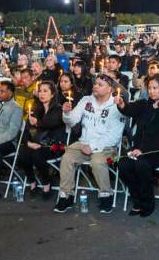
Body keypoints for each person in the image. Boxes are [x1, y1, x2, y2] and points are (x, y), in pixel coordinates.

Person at [54, 74, 125, 214]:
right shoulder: (86, 100)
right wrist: (67, 113)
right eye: (95, 83)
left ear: (110, 89)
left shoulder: (116, 105)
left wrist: (92, 146)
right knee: (67, 157)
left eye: (100, 85)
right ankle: (66, 195)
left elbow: (114, 136)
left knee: (97, 160)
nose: (95, 86)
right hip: (83, 142)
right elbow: (72, 120)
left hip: (106, 146)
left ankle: (106, 194)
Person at [114, 74, 159, 216]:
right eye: (149, 88)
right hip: (139, 149)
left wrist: (143, 150)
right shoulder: (145, 104)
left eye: (155, 88)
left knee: (141, 165)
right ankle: (137, 200)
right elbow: (129, 109)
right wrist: (121, 104)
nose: (152, 91)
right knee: (123, 164)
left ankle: (147, 203)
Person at [17, 81, 66, 199]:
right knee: (23, 154)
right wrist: (28, 142)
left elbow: (52, 123)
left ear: (53, 94)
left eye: (45, 91)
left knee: (37, 155)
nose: (41, 94)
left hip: (52, 144)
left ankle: (46, 183)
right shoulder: (35, 108)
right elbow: (26, 128)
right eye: (40, 91)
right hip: (36, 142)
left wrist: (38, 123)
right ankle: (32, 181)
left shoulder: (58, 109)